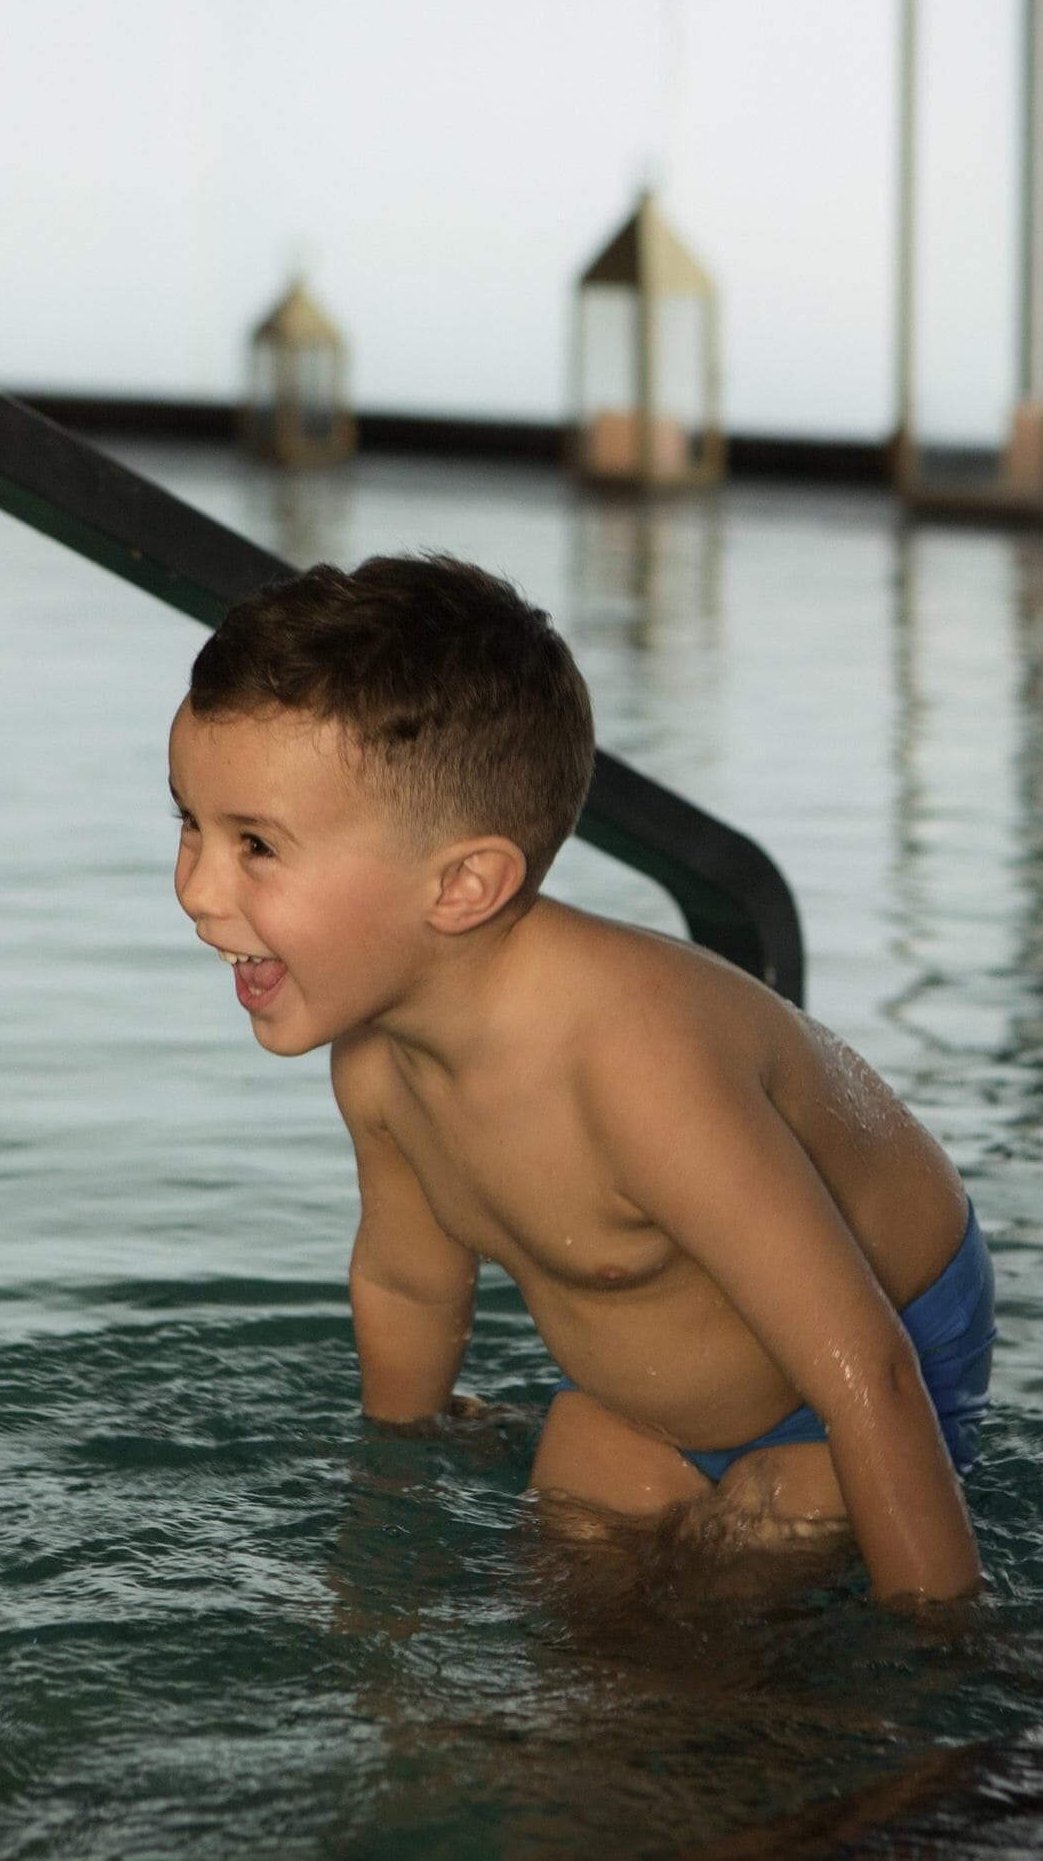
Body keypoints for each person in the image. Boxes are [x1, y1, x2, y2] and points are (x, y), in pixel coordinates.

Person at [168, 554, 991, 1606]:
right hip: (637, 1399)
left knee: (725, 1643)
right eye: (191, 821)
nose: (197, 889)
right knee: (573, 1645)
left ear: (464, 884)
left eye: (255, 847)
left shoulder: (637, 1065)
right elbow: (409, 1279)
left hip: (870, 1372)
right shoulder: (379, 1061)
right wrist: (397, 1464)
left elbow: (869, 1371)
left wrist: (947, 1656)